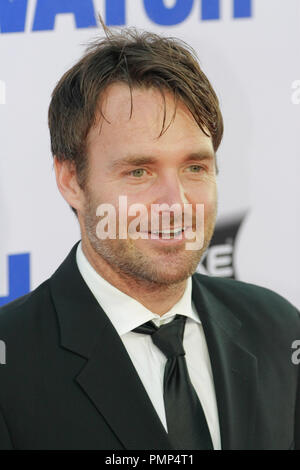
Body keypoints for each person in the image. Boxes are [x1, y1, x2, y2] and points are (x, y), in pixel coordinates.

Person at [0, 26, 299, 451]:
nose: (175, 204)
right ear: (71, 180)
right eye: (138, 172)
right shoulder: (11, 362)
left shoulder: (277, 328)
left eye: (195, 167)